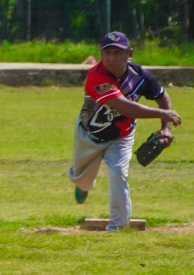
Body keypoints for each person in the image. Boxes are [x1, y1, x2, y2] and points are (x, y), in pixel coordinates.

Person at [69, 31, 183, 231]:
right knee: (83, 180)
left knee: (119, 173)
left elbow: (162, 96)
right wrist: (165, 114)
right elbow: (126, 107)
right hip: (89, 134)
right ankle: (83, 185)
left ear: (129, 54)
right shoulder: (97, 76)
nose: (111, 58)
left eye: (117, 52)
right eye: (107, 53)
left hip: (121, 136)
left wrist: (165, 129)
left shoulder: (139, 75)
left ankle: (118, 227)